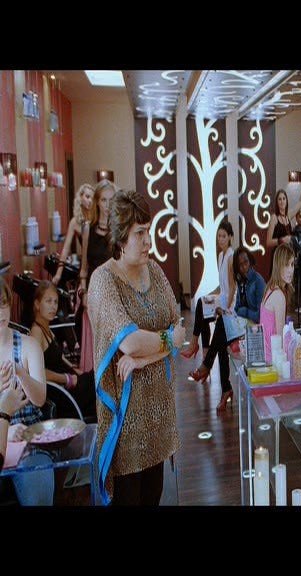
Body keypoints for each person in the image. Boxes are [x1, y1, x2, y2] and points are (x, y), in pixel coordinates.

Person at [87, 189, 185, 505]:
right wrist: (166, 341)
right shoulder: (103, 281)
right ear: (120, 239)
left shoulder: (153, 270)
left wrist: (144, 358)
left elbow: (180, 330)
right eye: (139, 233)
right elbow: (128, 341)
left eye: (148, 231)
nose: (148, 241)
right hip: (126, 424)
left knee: (153, 497)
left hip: (159, 416)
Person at [0, 276, 53, 505]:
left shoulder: (29, 345)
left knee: (38, 496)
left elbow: (40, 399)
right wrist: (5, 430)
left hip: (29, 437)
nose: (0, 313)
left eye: (3, 305)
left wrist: (21, 373)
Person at [192, 246, 266, 411]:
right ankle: (224, 387)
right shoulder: (242, 281)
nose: (244, 267)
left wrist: (242, 312)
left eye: (246, 262)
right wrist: (233, 312)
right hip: (243, 322)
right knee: (221, 324)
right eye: (241, 265)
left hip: (254, 328)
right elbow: (238, 307)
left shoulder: (258, 281)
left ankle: (209, 369)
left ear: (250, 261)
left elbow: (259, 315)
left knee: (222, 327)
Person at [30, 281, 96, 419]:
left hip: (69, 385)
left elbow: (59, 357)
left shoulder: (47, 329)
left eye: (55, 302)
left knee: (98, 375)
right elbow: (37, 372)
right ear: (37, 304)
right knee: (98, 379)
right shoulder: (36, 332)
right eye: (48, 301)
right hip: (61, 395)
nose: (53, 306)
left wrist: (74, 369)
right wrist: (67, 379)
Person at [182, 220, 235, 363]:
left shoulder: (231, 257)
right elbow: (221, 286)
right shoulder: (220, 256)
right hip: (222, 297)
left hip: (230, 302)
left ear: (230, 237)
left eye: (224, 236)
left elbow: (232, 287)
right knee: (203, 305)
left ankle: (195, 345)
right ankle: (204, 352)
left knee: (201, 306)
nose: (221, 239)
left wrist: (227, 310)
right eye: (219, 236)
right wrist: (209, 296)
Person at [78, 179, 116, 372]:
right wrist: (84, 292)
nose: (107, 205)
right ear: (97, 202)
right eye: (103, 200)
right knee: (96, 346)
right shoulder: (87, 228)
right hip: (93, 293)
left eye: (111, 200)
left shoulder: (117, 230)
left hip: (114, 292)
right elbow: (84, 267)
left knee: (113, 345)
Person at [52, 183, 95, 286]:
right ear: (80, 197)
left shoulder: (96, 220)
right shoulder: (75, 222)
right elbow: (65, 249)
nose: (90, 201)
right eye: (87, 197)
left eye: (92, 198)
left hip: (98, 263)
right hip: (85, 265)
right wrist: (58, 274)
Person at [259, 243, 294, 362]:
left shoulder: (270, 288)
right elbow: (281, 338)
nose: (290, 270)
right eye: (286, 265)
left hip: (266, 356)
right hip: (273, 360)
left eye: (292, 264)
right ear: (278, 266)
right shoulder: (279, 295)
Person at [266, 187, 301, 259]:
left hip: (288, 255)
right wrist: (281, 240)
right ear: (277, 202)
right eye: (279, 199)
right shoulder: (274, 217)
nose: (282, 201)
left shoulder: (288, 215)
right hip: (279, 256)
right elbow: (268, 242)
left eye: (284, 198)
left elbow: (300, 202)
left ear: (286, 200)